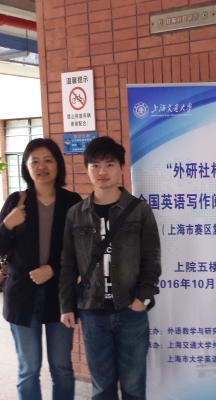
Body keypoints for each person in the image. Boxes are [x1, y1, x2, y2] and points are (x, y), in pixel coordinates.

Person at [59, 136, 161, 400]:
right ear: (87, 169)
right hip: (92, 312)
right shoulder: (75, 214)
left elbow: (152, 260)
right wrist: (66, 305)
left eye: (110, 164)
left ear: (121, 168)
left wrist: (141, 299)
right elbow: (68, 264)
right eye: (95, 165)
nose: (102, 171)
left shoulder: (140, 211)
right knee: (102, 388)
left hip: (131, 310)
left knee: (133, 387)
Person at [0, 138, 83, 400]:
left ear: (58, 165)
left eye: (48, 160)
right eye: (35, 161)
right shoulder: (17, 201)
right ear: (26, 167)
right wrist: (8, 224)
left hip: (60, 296)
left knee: (62, 368)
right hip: (22, 296)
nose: (42, 167)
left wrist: (53, 269)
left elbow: (81, 250)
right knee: (28, 368)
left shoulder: (72, 202)